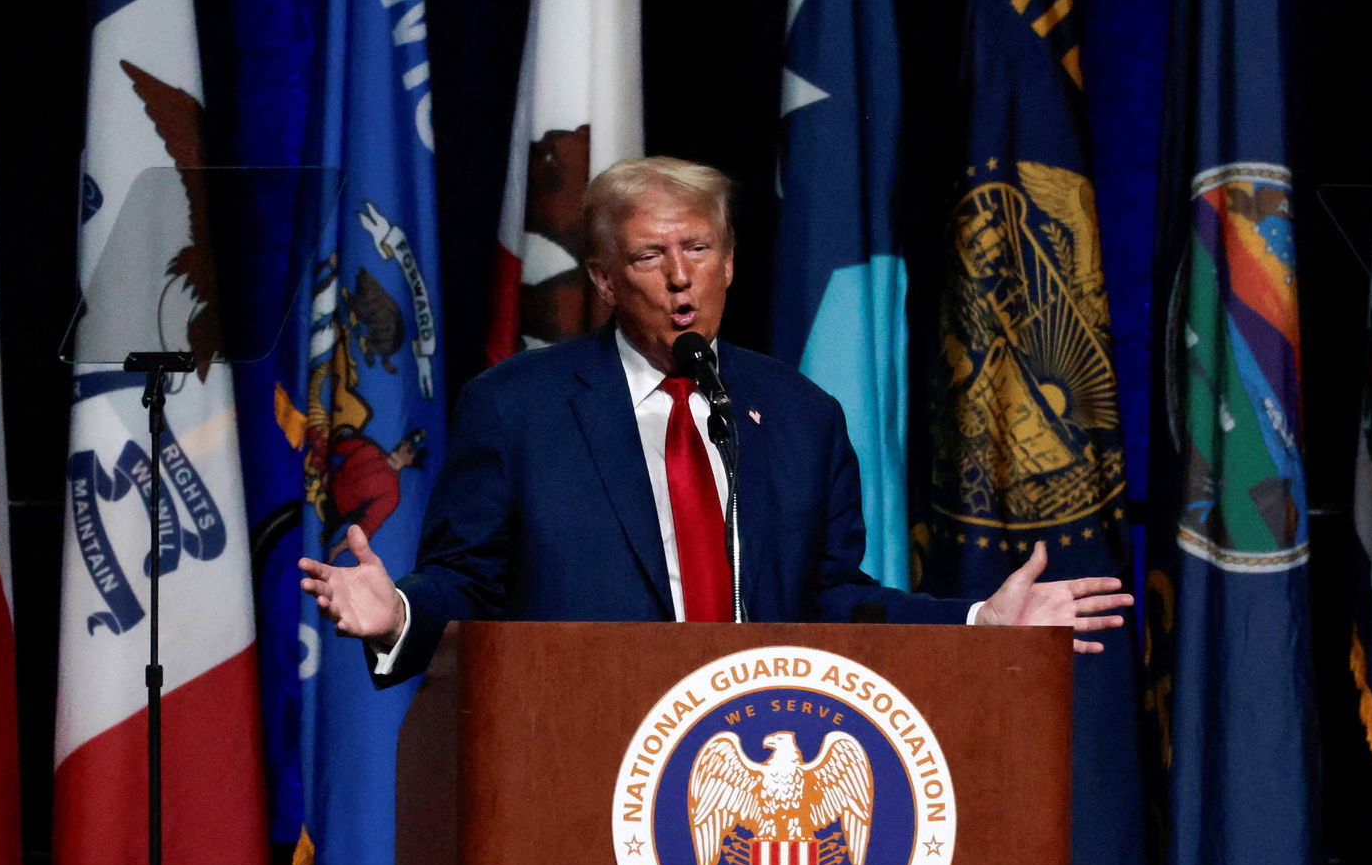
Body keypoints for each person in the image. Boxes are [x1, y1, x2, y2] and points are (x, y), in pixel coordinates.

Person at [298, 157, 1132, 685]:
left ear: (730, 262)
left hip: (749, 759)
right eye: (648, 257)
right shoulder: (518, 408)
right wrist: (398, 612)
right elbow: (470, 580)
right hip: (575, 756)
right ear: (603, 280)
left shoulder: (801, 417)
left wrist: (978, 621)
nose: (679, 279)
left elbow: (831, 599)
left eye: (697, 249)